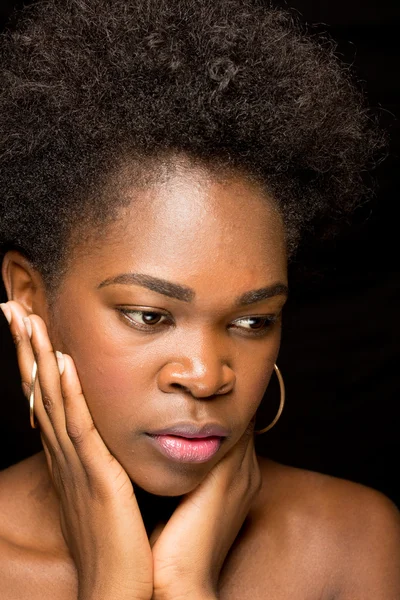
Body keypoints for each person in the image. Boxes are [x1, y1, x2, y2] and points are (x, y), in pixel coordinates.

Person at [0, 0, 399, 598]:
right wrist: (113, 584)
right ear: (29, 297)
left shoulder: (352, 543)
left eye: (251, 320)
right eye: (150, 315)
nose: (207, 377)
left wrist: (188, 583)